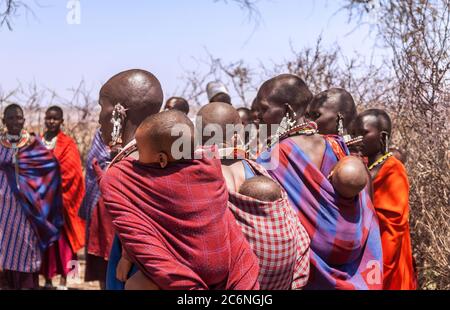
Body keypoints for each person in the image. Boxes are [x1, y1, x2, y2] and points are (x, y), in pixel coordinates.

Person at [101, 110, 260, 290]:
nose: (136, 156)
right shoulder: (209, 166)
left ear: (161, 159)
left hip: (182, 271)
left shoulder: (145, 182)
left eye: (139, 149)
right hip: (223, 267)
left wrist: (126, 257)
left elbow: (139, 232)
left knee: (133, 285)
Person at [256, 75, 383, 290]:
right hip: (353, 270)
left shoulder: (275, 157)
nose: (258, 117)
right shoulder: (338, 146)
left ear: (287, 111)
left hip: (305, 277)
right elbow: (363, 212)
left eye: (263, 109)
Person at [197, 102, 310, 290]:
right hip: (271, 281)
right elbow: (294, 228)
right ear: (236, 137)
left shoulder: (194, 178)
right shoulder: (257, 170)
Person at [0, 104, 63, 290]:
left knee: (25, 251)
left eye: (18, 117)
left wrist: (37, 193)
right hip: (2, 213)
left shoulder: (34, 145)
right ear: (3, 121)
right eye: (10, 118)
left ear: (24, 120)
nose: (14, 121)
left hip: (26, 212)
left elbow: (51, 167)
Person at [353, 109, 417, 290]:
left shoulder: (393, 170)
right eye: (355, 133)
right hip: (367, 255)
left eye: (364, 133)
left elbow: (392, 227)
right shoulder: (363, 165)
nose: (357, 138)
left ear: (382, 137)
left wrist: (380, 269)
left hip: (387, 259)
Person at [40, 106, 86, 290]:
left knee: (65, 243)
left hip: (62, 203)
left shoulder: (68, 144)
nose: (51, 121)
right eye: (48, 118)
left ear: (62, 122)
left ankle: (65, 281)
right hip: (42, 204)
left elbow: (73, 173)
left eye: (55, 118)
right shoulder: (38, 142)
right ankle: (48, 280)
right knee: (47, 244)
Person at [78, 129, 110, 287]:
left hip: (124, 206)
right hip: (100, 205)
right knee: (100, 252)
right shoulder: (101, 135)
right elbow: (93, 165)